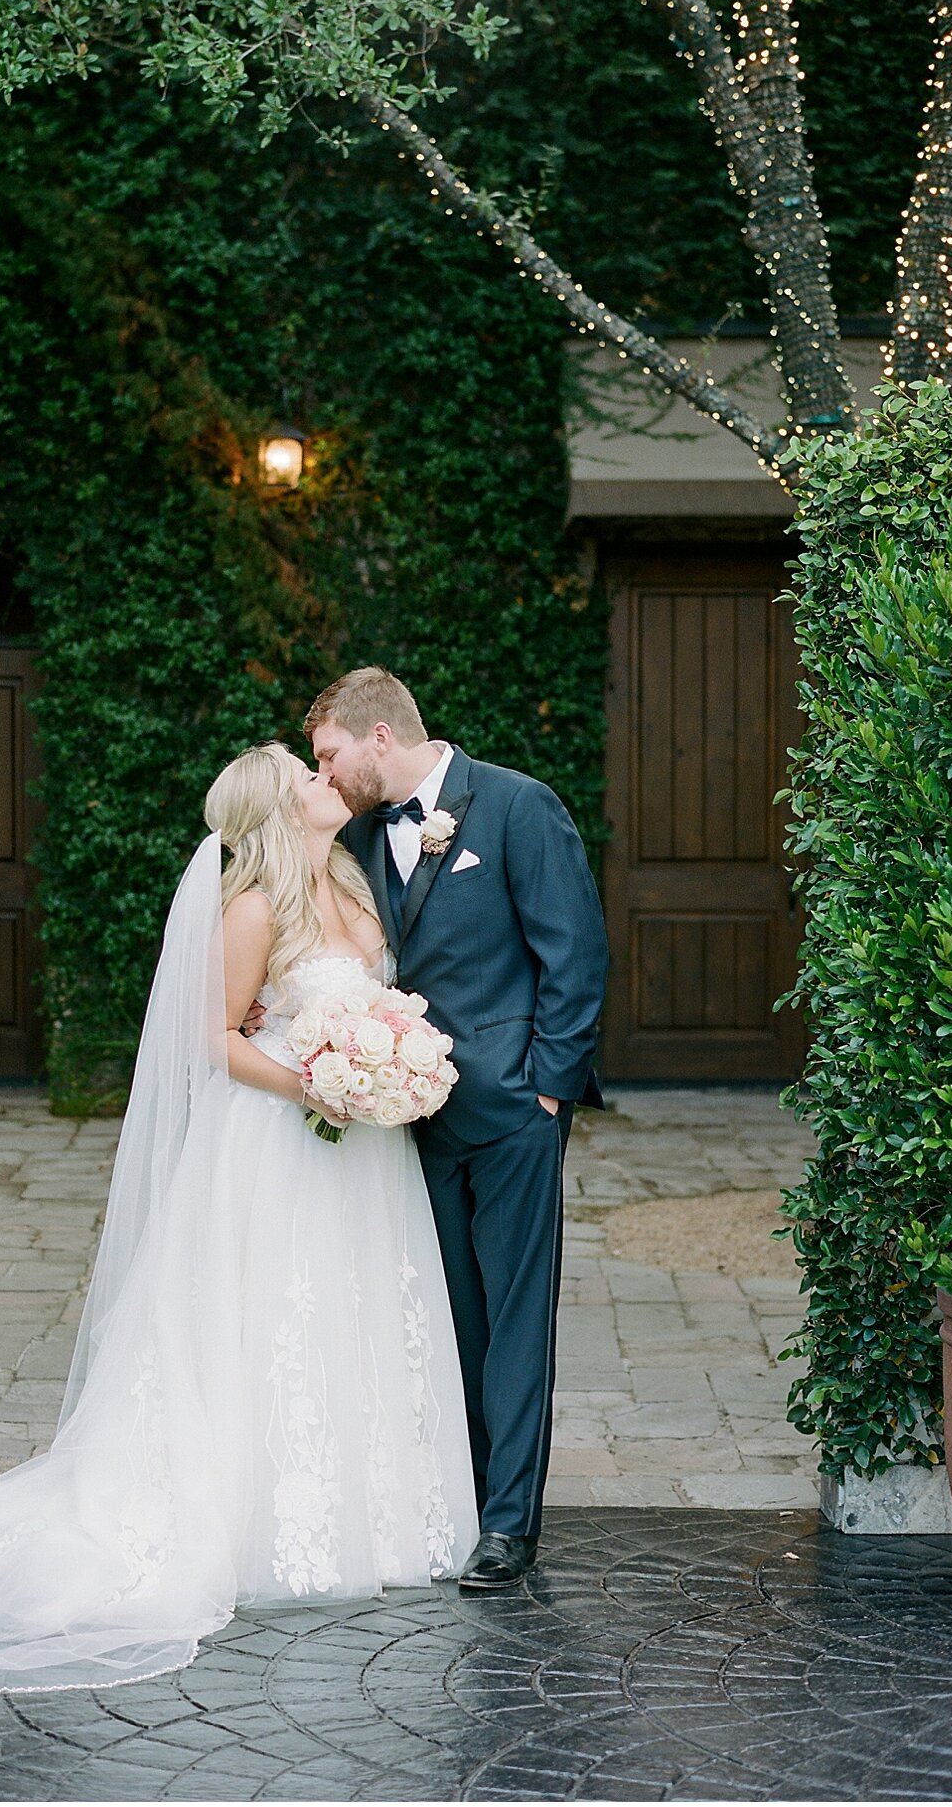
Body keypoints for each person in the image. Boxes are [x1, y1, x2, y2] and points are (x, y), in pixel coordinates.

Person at [0, 742, 476, 1693]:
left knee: (352, 1312)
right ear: (279, 812)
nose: (329, 781)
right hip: (281, 1142)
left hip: (365, 1156)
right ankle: (265, 1523)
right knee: (269, 1319)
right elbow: (217, 1039)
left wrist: (386, 1064)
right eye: (310, 777)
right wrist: (314, 1083)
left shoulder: (357, 882)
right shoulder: (252, 906)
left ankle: (377, 1514)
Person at [306, 667, 608, 1592]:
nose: (325, 772)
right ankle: (463, 1501)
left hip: (514, 1110)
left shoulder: (518, 806)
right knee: (448, 1318)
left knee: (517, 1320)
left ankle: (509, 1526)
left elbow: (575, 950)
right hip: (410, 1123)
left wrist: (546, 1091)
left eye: (329, 754)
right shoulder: (355, 837)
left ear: (380, 737)